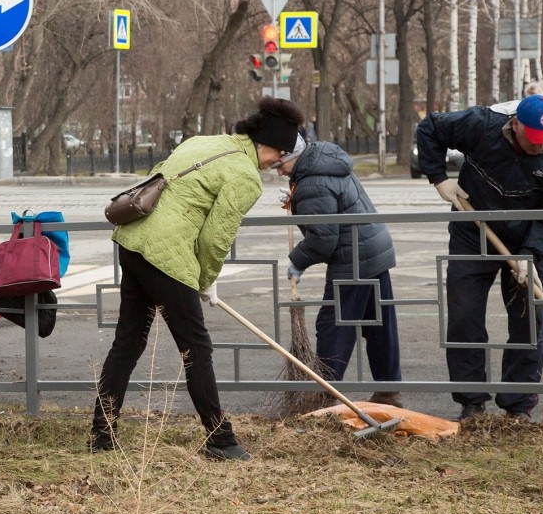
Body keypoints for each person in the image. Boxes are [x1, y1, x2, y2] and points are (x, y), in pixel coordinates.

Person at [89, 96, 306, 461]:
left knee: (128, 342)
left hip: (133, 240)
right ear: (265, 144)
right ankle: (220, 440)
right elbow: (215, 237)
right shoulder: (244, 177)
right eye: (278, 155)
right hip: (166, 256)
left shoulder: (204, 141)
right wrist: (205, 278)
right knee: (197, 348)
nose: (276, 164)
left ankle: (102, 434)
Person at [416, 94, 543, 421]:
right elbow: (430, 128)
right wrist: (439, 178)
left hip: (531, 237)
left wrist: (532, 254)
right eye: (535, 140)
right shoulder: (480, 125)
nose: (542, 147)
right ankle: (472, 403)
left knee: (529, 322)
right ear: (515, 125)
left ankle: (518, 407)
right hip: (475, 232)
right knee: (464, 317)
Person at [275, 136, 402, 405]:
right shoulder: (325, 161)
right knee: (379, 324)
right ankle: (389, 391)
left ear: (291, 157)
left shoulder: (311, 181)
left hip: (354, 256)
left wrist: (297, 260)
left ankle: (325, 393)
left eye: (280, 164)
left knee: (333, 325)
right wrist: (297, 199)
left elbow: (323, 240)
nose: (279, 171)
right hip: (374, 246)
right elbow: (331, 202)